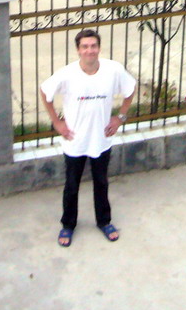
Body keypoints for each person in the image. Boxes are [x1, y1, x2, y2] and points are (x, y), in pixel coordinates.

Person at [39, 28, 136, 248]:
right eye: (85, 47)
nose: (89, 51)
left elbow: (130, 90)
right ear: (78, 50)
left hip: (102, 139)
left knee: (101, 182)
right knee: (71, 185)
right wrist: (57, 122)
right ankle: (68, 225)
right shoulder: (67, 74)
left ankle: (104, 221)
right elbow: (45, 93)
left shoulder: (113, 70)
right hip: (75, 140)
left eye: (93, 46)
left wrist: (120, 117)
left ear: (99, 48)